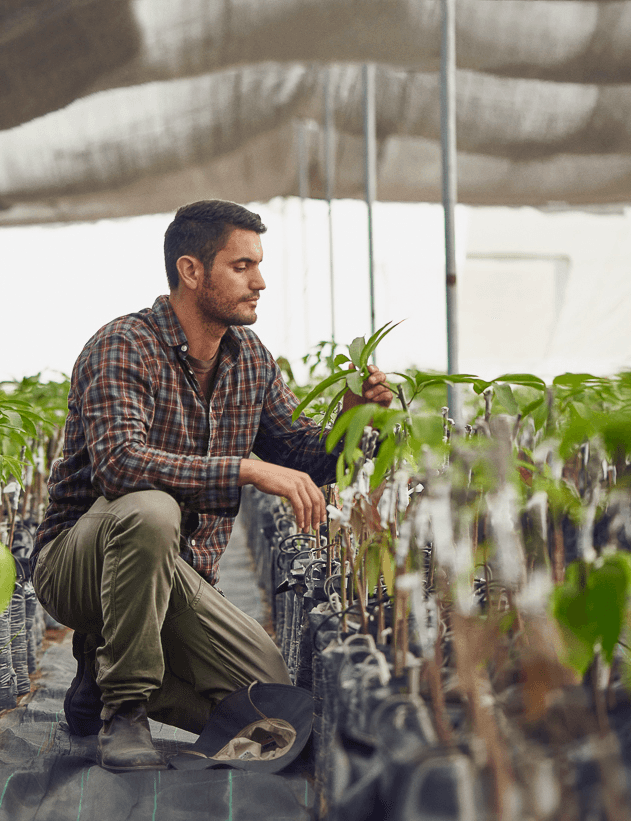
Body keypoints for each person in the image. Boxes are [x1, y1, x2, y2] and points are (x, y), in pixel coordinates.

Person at [33, 199, 392, 771]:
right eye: (242, 266)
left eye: (259, 265)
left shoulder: (249, 359)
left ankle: (99, 675)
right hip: (82, 564)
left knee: (265, 694)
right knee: (151, 511)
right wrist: (244, 468)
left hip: (179, 576)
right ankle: (124, 712)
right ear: (191, 270)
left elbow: (300, 455)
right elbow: (119, 466)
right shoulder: (124, 345)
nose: (261, 281)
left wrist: (353, 418)